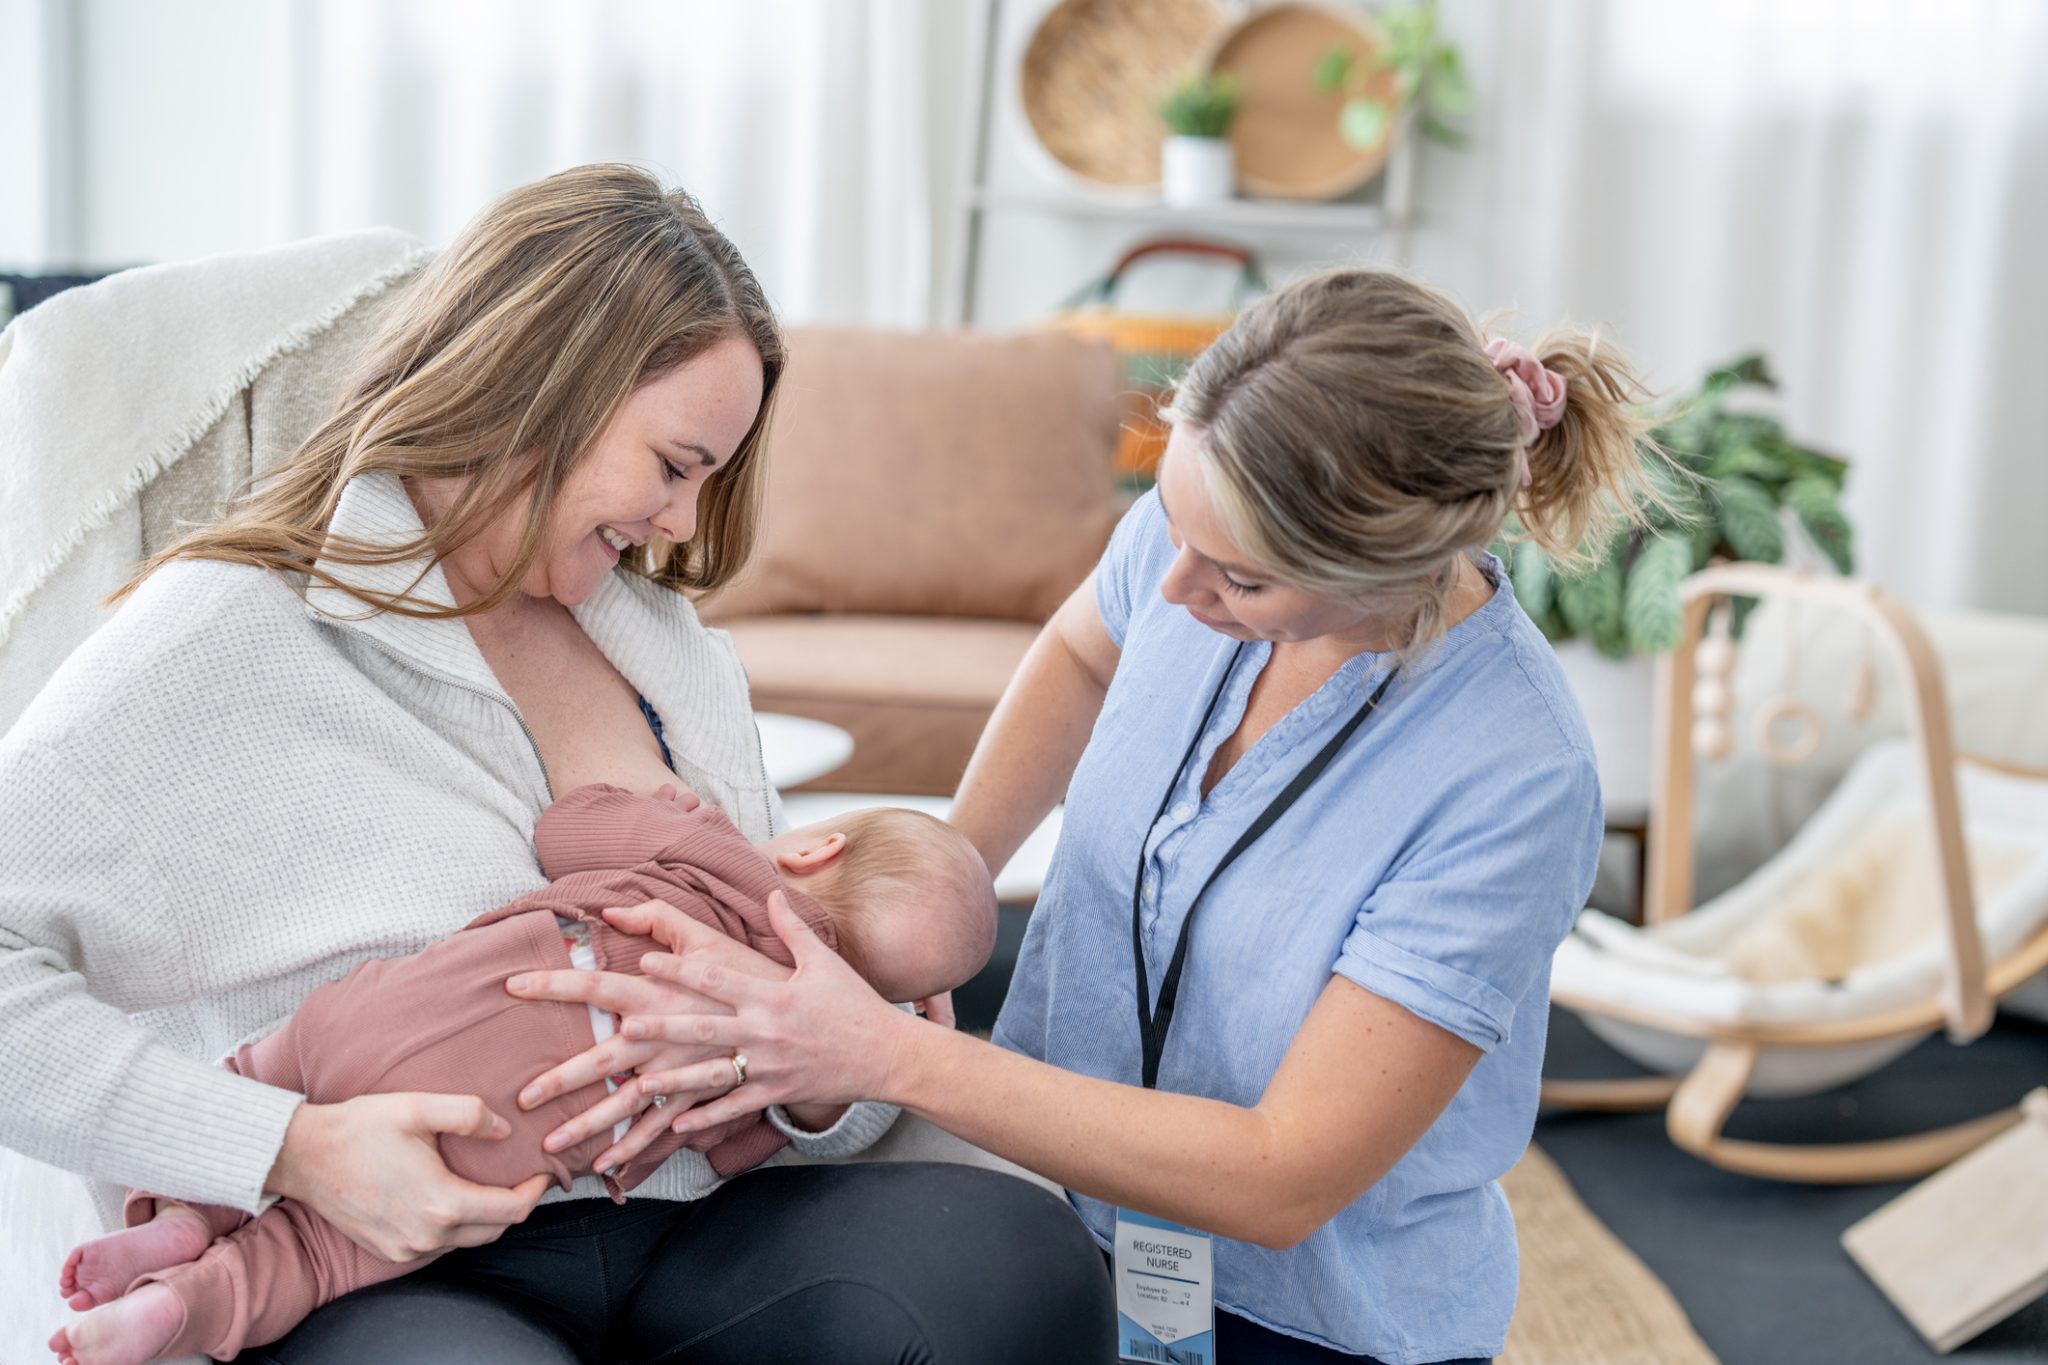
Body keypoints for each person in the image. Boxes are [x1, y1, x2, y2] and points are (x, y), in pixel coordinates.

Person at [0, 163, 1111, 1364]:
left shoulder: (667, 651)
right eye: (674, 466)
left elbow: (786, 986)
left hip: (688, 1219)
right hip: (378, 1255)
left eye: (708, 480)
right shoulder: (232, 630)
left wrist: (814, 1076)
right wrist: (286, 1147)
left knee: (1017, 1269)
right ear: (542, 391)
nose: (682, 524)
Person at [510, 267, 1662, 1362]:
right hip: (1056, 1211)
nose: (1171, 589)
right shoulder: (1202, 529)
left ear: (1378, 567)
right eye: (1172, 526)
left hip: (1302, 1317)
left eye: (1238, 580)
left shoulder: (1511, 776)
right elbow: (1078, 650)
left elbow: (1281, 1174)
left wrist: (884, 1050)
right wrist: (942, 878)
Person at [53, 783, 997, 1365]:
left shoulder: (718, 856)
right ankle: (180, 1307)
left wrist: (669, 808)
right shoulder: (771, 1053)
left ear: (817, 848)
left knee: (265, 1074)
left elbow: (566, 826)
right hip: (504, 1142)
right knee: (317, 1256)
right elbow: (733, 1149)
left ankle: (181, 1213)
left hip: (427, 1001)